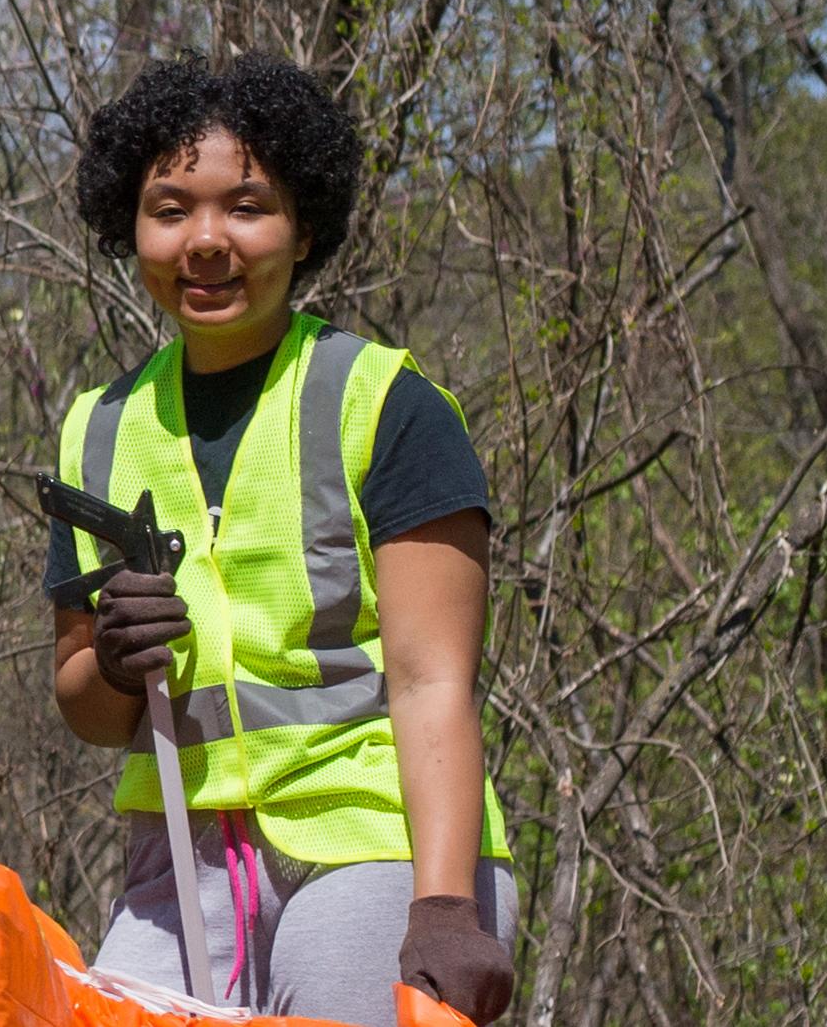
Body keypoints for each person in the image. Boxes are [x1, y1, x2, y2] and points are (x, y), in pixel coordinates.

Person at [44, 54, 517, 1024]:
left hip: (374, 846)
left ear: (302, 230)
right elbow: (85, 707)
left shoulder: (384, 403)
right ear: (129, 227)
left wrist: (443, 908)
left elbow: (435, 683)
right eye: (169, 209)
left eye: (246, 207)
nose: (205, 241)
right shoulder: (97, 428)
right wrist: (120, 666)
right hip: (176, 858)